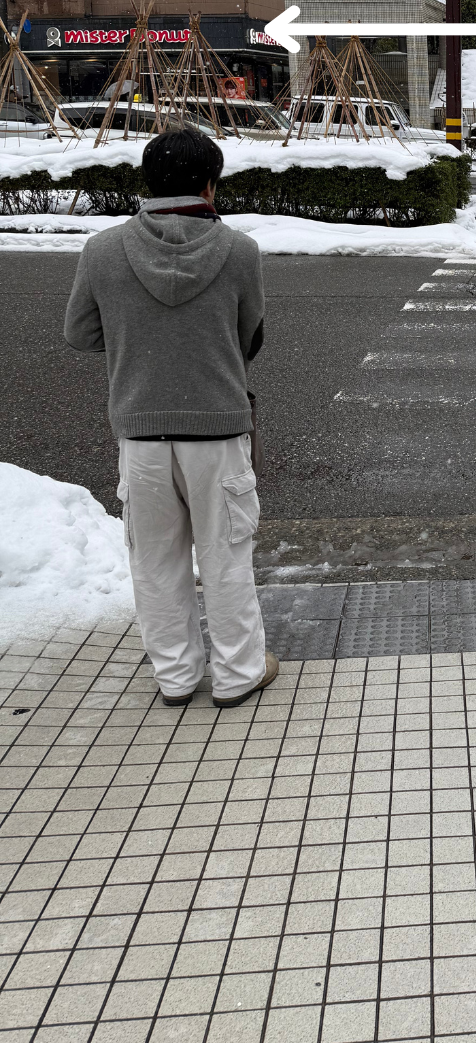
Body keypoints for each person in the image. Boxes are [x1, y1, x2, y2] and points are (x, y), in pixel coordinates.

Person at [64, 127, 277, 709]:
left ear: (148, 182)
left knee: (155, 561)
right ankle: (238, 674)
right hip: (218, 430)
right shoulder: (239, 250)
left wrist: (133, 335)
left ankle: (176, 677)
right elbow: (249, 337)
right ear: (210, 184)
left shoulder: (103, 250)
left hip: (142, 432)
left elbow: (79, 333)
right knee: (226, 556)